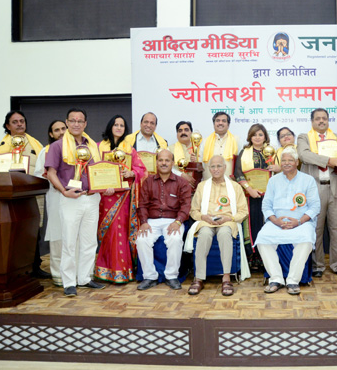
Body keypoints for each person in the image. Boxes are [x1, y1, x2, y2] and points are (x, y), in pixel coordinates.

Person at [45, 108, 106, 297]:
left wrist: (104, 184)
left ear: (85, 124)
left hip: (91, 198)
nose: (76, 124)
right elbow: (51, 173)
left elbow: (99, 171)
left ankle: (85, 278)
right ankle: (69, 282)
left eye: (80, 121)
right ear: (67, 123)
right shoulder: (58, 146)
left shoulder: (92, 146)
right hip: (70, 199)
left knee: (89, 242)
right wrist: (64, 191)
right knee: (69, 242)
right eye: (72, 120)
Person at [255, 147, 320, 295]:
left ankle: (292, 281)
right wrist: (275, 221)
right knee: (262, 239)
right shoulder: (273, 180)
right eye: (283, 160)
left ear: (297, 162)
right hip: (277, 223)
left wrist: (298, 221)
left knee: (306, 240)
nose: (286, 163)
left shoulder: (308, 180)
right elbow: (266, 205)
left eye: (290, 160)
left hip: (301, 223)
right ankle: (276, 278)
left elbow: (315, 206)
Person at [0, 110, 47, 278]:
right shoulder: (0, 147)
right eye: (15, 122)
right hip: (9, 197)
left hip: (32, 194)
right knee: (13, 232)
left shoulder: (35, 145)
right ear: (8, 126)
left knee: (32, 230)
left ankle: (35, 267)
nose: (20, 124)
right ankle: (13, 268)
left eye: (22, 121)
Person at [94, 115, 147, 284]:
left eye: (122, 125)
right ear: (110, 126)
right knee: (108, 233)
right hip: (104, 197)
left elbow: (142, 170)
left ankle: (123, 271)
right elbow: (92, 170)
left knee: (121, 232)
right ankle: (104, 270)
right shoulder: (97, 147)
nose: (118, 128)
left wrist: (132, 173)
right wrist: (103, 187)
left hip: (123, 197)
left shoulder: (129, 149)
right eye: (116, 124)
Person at [186, 155, 249, 296]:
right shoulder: (202, 186)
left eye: (219, 166)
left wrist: (229, 218)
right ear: (209, 169)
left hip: (227, 221)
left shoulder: (235, 187)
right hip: (206, 221)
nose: (216, 169)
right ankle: (198, 278)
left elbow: (243, 211)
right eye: (213, 166)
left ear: (225, 167)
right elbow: (194, 210)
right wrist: (203, 217)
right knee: (204, 234)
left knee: (225, 234)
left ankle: (226, 277)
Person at [297, 108, 337, 277]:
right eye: (317, 118)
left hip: (335, 187)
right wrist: (329, 160)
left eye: (324, 118)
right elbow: (304, 155)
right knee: (316, 229)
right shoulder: (304, 137)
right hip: (314, 188)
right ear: (312, 121)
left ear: (328, 120)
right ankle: (317, 265)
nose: (321, 121)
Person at [135, 149, 191, 291]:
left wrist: (178, 222)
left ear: (173, 163)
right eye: (161, 160)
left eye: (167, 160)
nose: (164, 163)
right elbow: (142, 204)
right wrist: (144, 222)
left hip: (173, 220)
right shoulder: (148, 182)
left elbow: (186, 205)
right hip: (152, 221)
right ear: (156, 163)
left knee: (175, 239)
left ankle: (171, 276)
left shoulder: (182, 182)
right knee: (141, 240)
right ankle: (150, 277)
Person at [34, 119, 67, 286]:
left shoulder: (76, 149)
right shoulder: (45, 151)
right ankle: (58, 274)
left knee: (73, 236)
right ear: (51, 134)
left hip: (75, 198)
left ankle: (75, 273)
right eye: (57, 130)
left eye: (63, 128)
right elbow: (38, 175)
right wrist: (53, 179)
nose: (61, 132)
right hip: (55, 197)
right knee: (57, 235)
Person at [234, 123, 271, 271]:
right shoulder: (244, 152)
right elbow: (238, 173)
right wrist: (249, 189)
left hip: (269, 196)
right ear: (250, 137)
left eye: (260, 134)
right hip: (249, 195)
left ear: (265, 137)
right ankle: (252, 257)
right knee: (251, 225)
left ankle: (265, 258)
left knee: (265, 223)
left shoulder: (271, 152)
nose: (257, 137)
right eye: (254, 135)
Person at [201, 112, 239, 180]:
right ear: (214, 124)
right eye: (218, 121)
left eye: (224, 121)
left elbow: (240, 163)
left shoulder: (236, 140)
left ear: (228, 124)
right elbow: (200, 163)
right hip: (209, 182)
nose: (220, 123)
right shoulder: (204, 141)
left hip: (230, 182)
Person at [169, 120, 198, 188]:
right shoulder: (170, 149)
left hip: (196, 187)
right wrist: (182, 175)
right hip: (176, 186)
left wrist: (196, 161)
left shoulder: (198, 148)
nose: (183, 132)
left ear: (191, 133)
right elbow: (168, 167)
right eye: (180, 131)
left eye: (186, 130)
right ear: (177, 134)